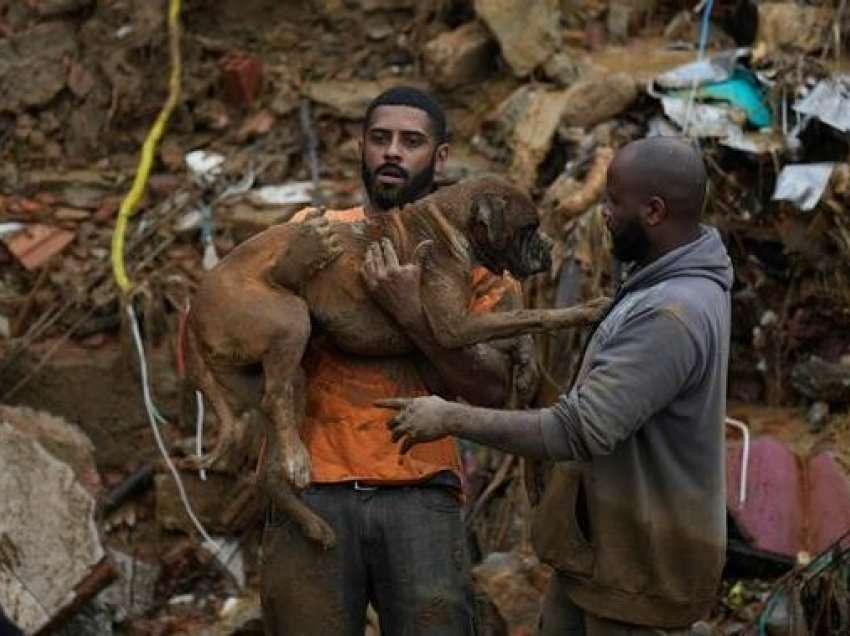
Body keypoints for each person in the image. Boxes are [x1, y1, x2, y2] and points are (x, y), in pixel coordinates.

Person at [380, 136, 733, 635]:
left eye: (613, 201)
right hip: (601, 557)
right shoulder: (660, 285)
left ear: (653, 211)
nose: (603, 213)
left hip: (640, 571)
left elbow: (580, 431)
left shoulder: (672, 314)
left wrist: (449, 417)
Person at [259, 86, 535, 635]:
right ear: (361, 147)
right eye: (380, 139)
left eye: (411, 141)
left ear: (440, 158)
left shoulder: (477, 262)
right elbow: (253, 326)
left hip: (419, 494)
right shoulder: (315, 233)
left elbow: (492, 392)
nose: (392, 152)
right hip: (313, 488)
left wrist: (413, 316)